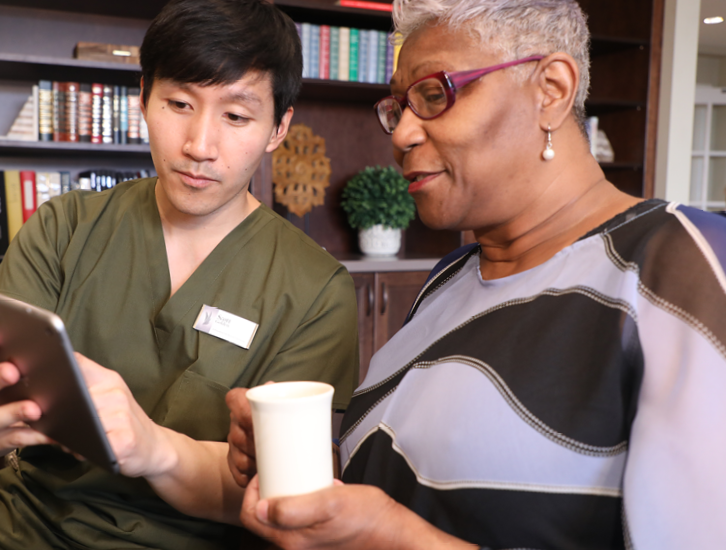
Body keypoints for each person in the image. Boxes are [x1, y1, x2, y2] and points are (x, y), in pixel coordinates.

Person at [227, 0, 726, 548]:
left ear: (551, 90)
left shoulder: (680, 267)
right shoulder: (451, 278)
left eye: (435, 95)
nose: (401, 136)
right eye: (398, 107)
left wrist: (393, 539)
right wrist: (308, 471)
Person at [0, 0, 359, 548]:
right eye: (178, 103)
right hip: (24, 522)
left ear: (277, 128)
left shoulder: (316, 291)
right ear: (143, 97)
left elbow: (285, 499)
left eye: (236, 116)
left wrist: (154, 448)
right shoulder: (64, 228)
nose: (199, 146)